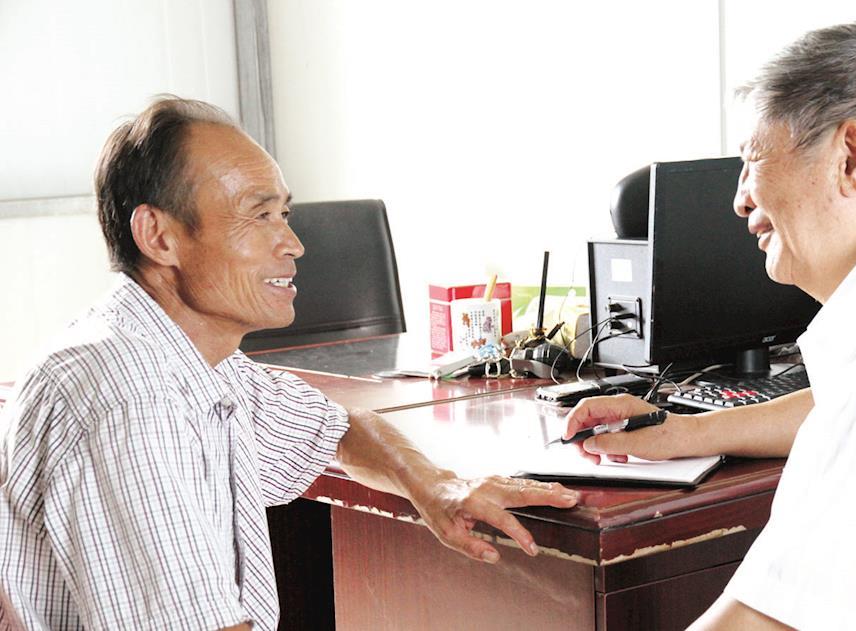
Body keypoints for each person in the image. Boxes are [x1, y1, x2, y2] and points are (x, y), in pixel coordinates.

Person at [0, 97, 579, 631]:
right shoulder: (128, 395)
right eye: (260, 216)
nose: (294, 244)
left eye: (284, 213)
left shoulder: (196, 361)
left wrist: (437, 486)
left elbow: (340, 430)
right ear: (159, 236)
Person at [564, 23, 856, 630]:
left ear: (850, 158)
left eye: (753, 160)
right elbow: (851, 405)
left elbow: (777, 619)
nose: (740, 199)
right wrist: (684, 431)